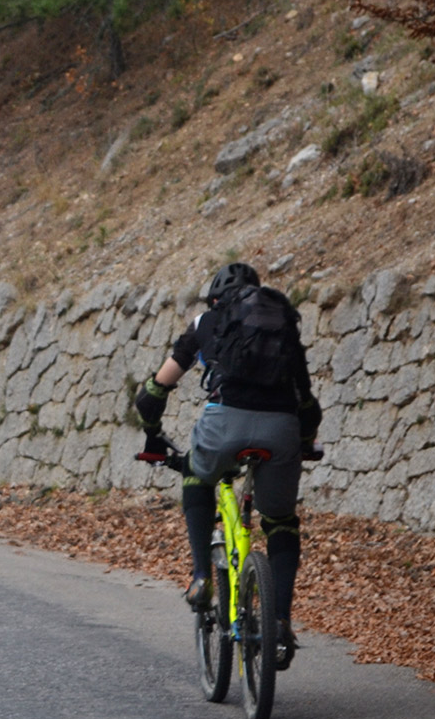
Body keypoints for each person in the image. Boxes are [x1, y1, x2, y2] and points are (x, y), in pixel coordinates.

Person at [132, 262, 321, 666]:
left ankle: (202, 577)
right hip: (282, 429)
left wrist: (152, 432)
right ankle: (281, 621)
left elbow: (153, 391)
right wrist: (304, 442)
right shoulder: (280, 322)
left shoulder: (205, 322)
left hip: (224, 424)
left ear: (216, 298)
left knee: (195, 478)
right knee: (282, 522)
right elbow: (306, 400)